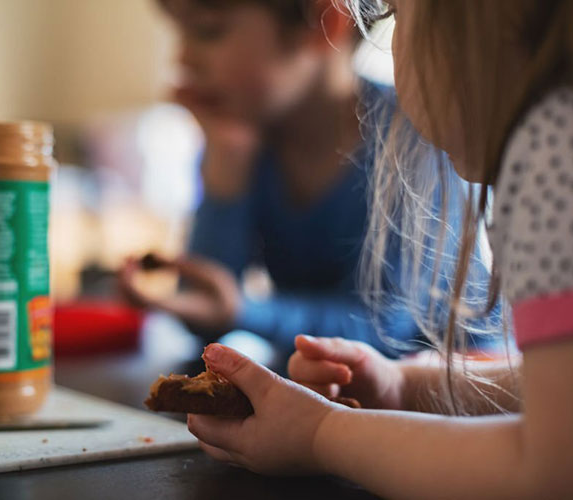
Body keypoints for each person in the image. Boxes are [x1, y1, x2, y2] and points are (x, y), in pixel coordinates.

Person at [185, 1, 573, 498]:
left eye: (397, 14)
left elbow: (554, 468)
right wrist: (405, 386)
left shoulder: (552, 151)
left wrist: (319, 434)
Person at [120, 0, 497, 358]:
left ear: (324, 21)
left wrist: (244, 310)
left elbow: (384, 329)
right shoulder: (247, 138)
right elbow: (204, 317)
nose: (182, 58)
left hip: (454, 395)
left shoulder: (413, 138)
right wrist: (226, 159)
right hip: (329, 390)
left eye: (208, 31)